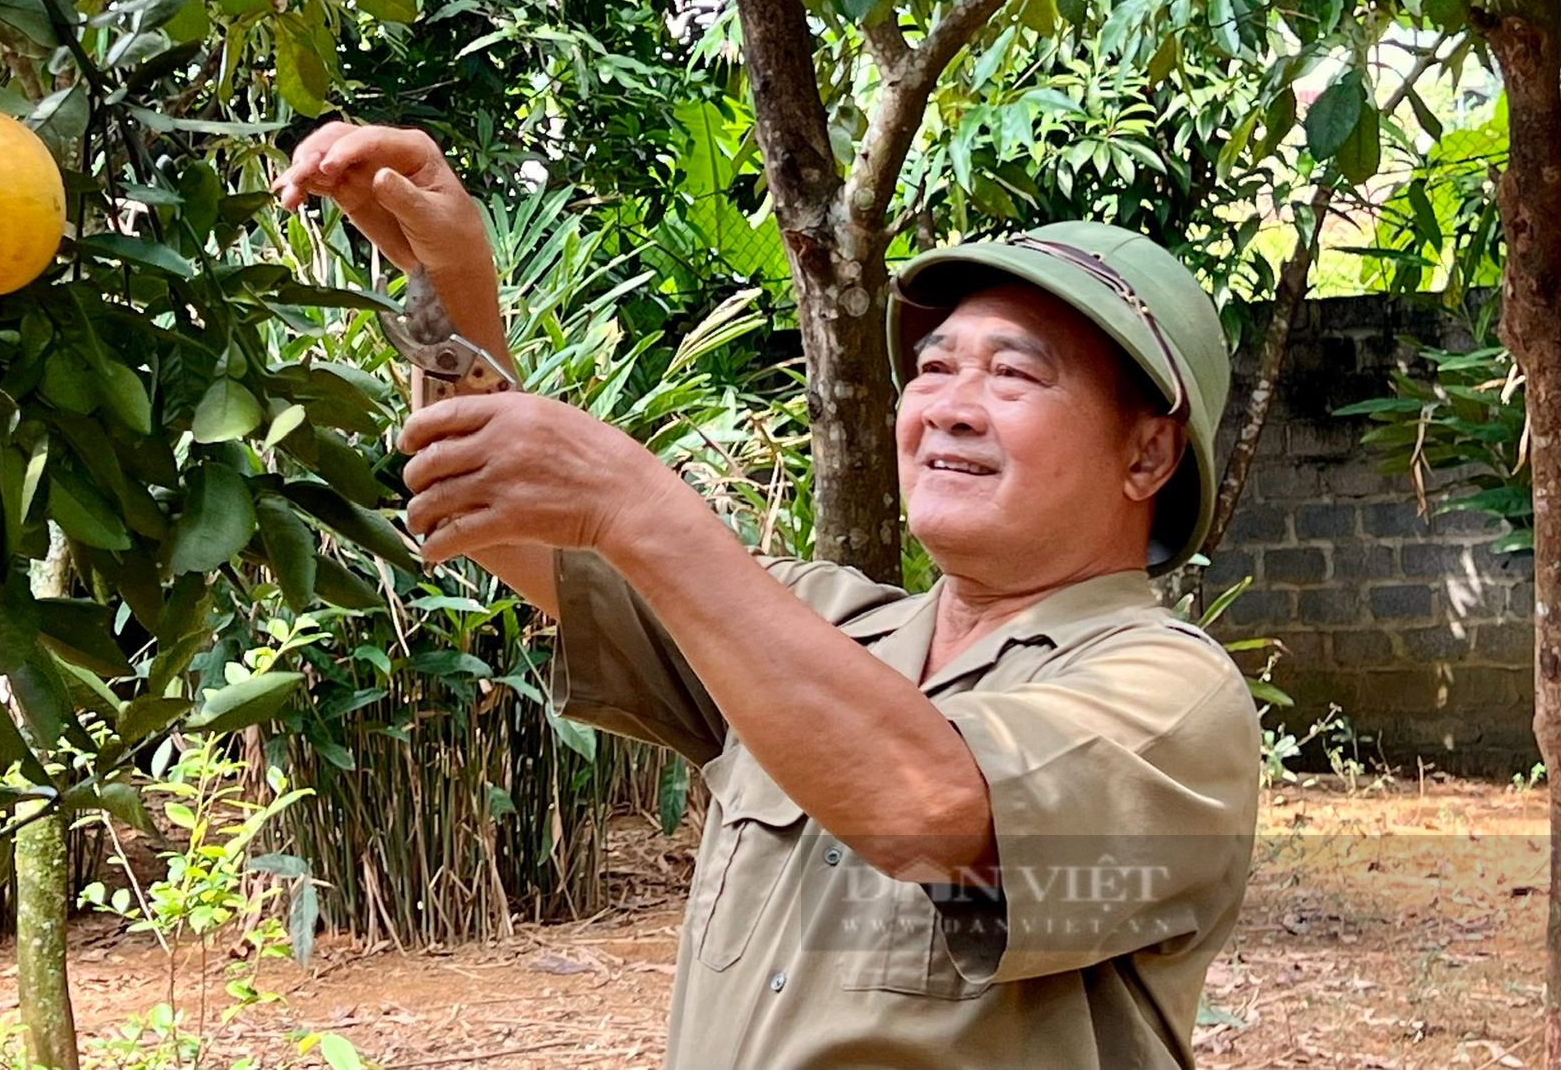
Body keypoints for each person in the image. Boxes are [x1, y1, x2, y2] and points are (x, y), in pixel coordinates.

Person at [275, 121, 1262, 1070]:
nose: (948, 409)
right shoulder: (822, 624)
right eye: (931, 369)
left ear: (1144, 454)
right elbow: (507, 519)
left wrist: (639, 509)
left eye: (1010, 375)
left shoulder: (1168, 694)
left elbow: (927, 809)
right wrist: (448, 289)